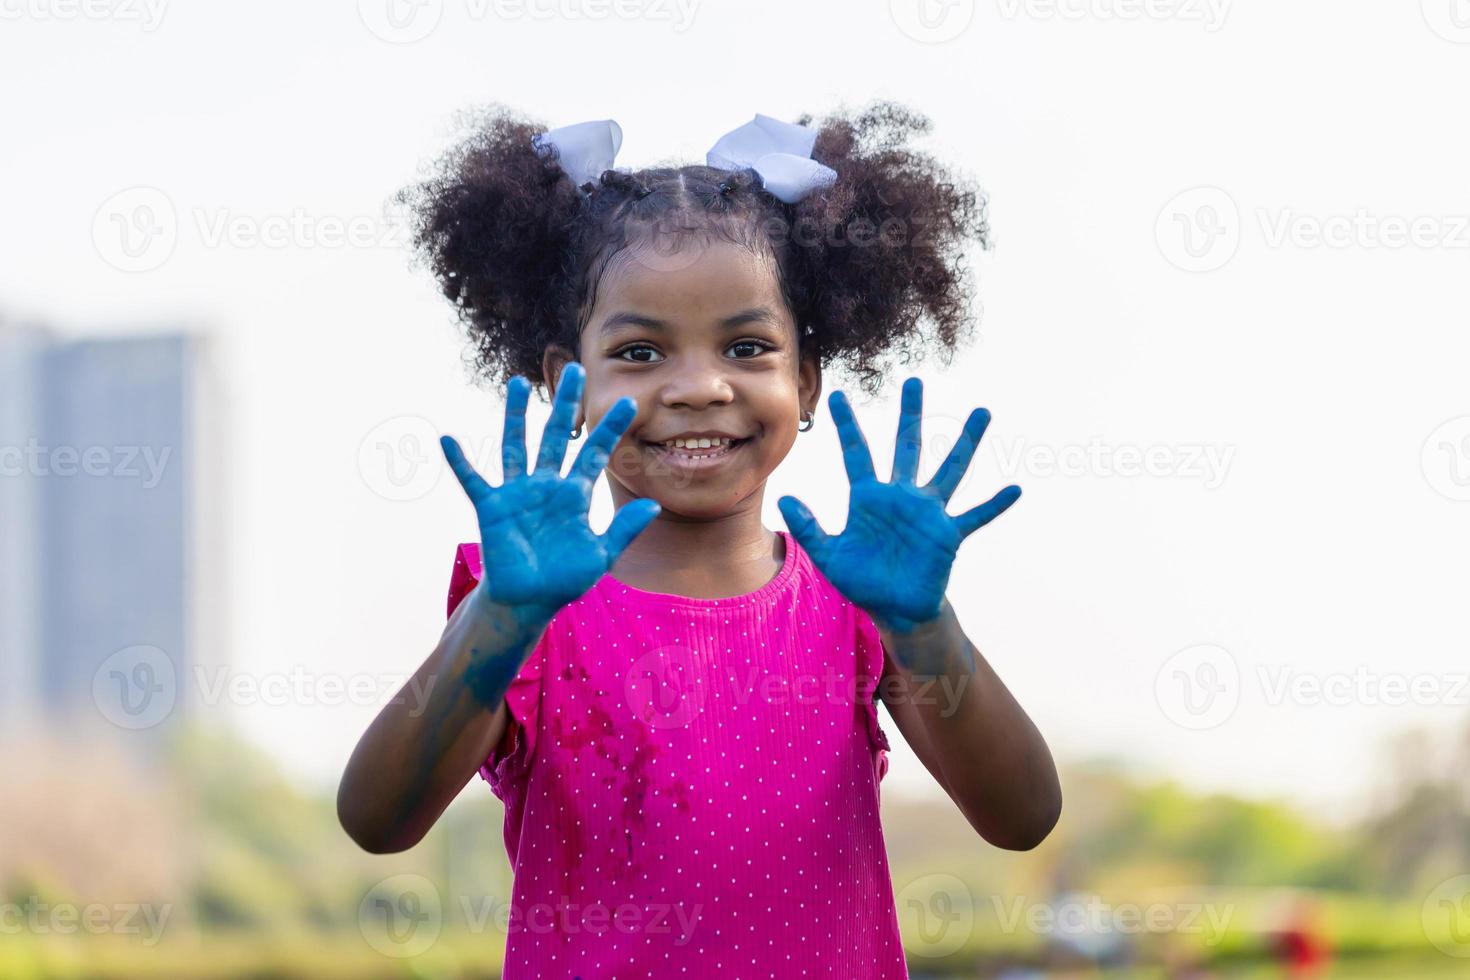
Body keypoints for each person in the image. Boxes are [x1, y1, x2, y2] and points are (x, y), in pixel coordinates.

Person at [338, 101, 1062, 977]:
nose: (699, 387)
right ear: (569, 382)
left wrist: (925, 624)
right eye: (641, 353)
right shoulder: (528, 606)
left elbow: (1022, 815)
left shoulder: (861, 602)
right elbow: (378, 820)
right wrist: (502, 618)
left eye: (747, 347)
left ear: (804, 377)